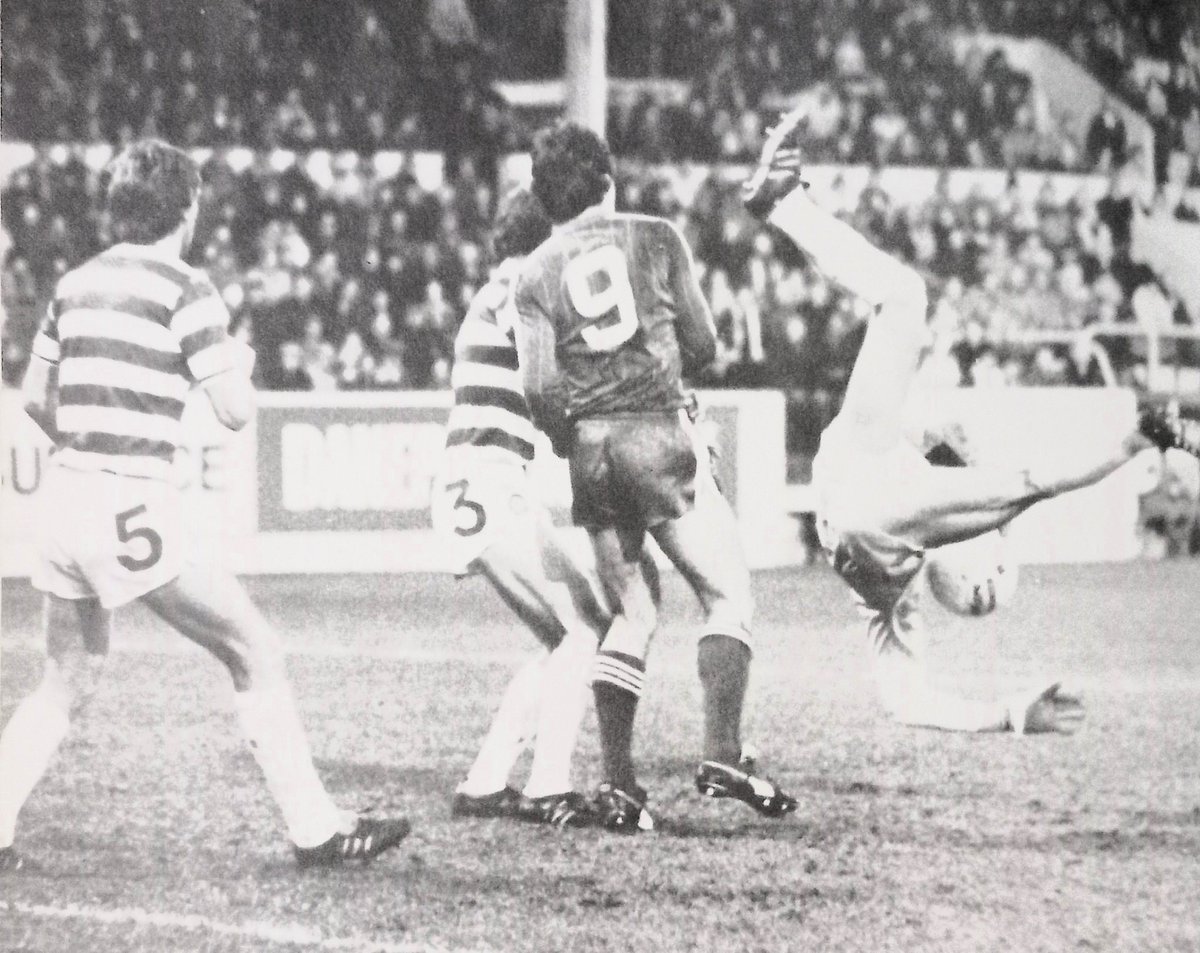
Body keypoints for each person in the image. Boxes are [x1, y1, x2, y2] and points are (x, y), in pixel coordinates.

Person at [0, 139, 409, 873]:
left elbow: (32, 397)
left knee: (64, 674)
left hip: (62, 497)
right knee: (255, 649)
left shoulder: (74, 282)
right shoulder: (184, 287)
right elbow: (234, 410)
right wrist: (233, 361)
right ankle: (316, 830)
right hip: (129, 501)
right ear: (185, 209)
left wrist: (88, 440)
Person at [742, 109, 1200, 734]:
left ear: (973, 543)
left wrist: (1132, 442)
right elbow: (906, 701)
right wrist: (1010, 714)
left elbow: (1038, 482)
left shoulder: (927, 510)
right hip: (846, 493)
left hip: (858, 474)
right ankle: (786, 204)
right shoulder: (897, 593)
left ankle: (784, 204)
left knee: (903, 297)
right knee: (902, 305)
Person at [512, 123, 796, 832]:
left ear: (544, 199)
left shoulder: (533, 274)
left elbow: (541, 388)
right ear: (607, 180)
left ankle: (621, 785)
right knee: (727, 593)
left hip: (592, 450)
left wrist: (573, 437)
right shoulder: (656, 235)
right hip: (657, 431)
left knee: (632, 614)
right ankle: (723, 753)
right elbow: (702, 343)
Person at [433, 187, 658, 828]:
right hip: (487, 484)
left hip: (486, 483)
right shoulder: (526, 288)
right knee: (581, 631)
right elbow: (564, 378)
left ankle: (486, 781)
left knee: (574, 625)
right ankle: (549, 786)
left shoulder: (498, 289)